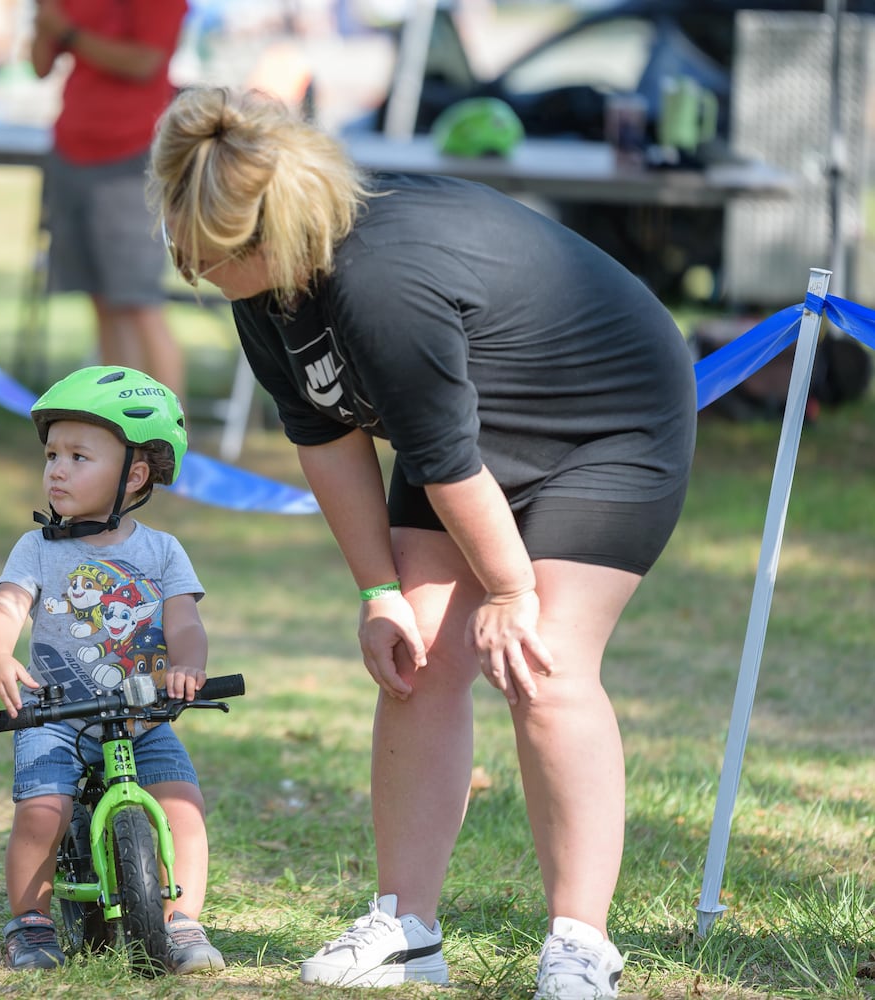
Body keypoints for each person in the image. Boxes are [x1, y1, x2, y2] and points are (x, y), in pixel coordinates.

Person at [147, 87, 697, 999]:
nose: (192, 270)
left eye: (207, 258)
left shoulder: (378, 281)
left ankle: (580, 942)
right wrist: (378, 592)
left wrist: (514, 594)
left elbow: (441, 460)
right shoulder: (268, 288)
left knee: (545, 663)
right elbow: (324, 436)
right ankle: (406, 926)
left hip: (608, 420)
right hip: (471, 434)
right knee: (417, 653)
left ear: (272, 237)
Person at [0, 365, 224, 975]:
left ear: (134, 475)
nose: (56, 469)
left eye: (78, 456)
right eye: (52, 454)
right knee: (42, 811)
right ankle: (31, 923)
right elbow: (6, 606)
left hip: (143, 716)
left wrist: (188, 666)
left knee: (183, 806)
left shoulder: (162, 551)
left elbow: (185, 623)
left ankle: (183, 922)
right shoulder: (37, 548)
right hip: (56, 715)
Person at [30, 0, 187, 399]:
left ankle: (172, 440)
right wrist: (47, 22)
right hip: (72, 149)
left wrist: (69, 33)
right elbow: (39, 65)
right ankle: (124, 423)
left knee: (138, 303)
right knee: (102, 302)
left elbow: (145, 62)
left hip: (130, 157)